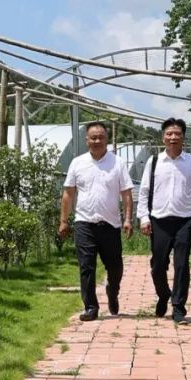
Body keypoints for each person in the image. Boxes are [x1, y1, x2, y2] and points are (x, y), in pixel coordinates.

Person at [137, 118, 191, 324]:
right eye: (169, 134)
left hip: (184, 221)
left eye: (177, 134)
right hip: (159, 221)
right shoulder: (154, 162)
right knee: (157, 266)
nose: (173, 137)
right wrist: (144, 218)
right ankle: (164, 294)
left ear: (183, 137)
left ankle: (179, 307)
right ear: (163, 137)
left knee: (181, 265)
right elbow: (144, 192)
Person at [59, 122, 134, 321]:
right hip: (84, 223)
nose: (97, 141)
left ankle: (112, 290)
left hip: (110, 225)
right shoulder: (77, 163)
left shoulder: (117, 163)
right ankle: (91, 307)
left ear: (107, 139)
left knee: (115, 267)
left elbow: (126, 193)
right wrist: (64, 221)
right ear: (87, 140)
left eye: (101, 137)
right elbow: (68, 193)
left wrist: (128, 219)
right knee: (86, 266)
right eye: (93, 137)